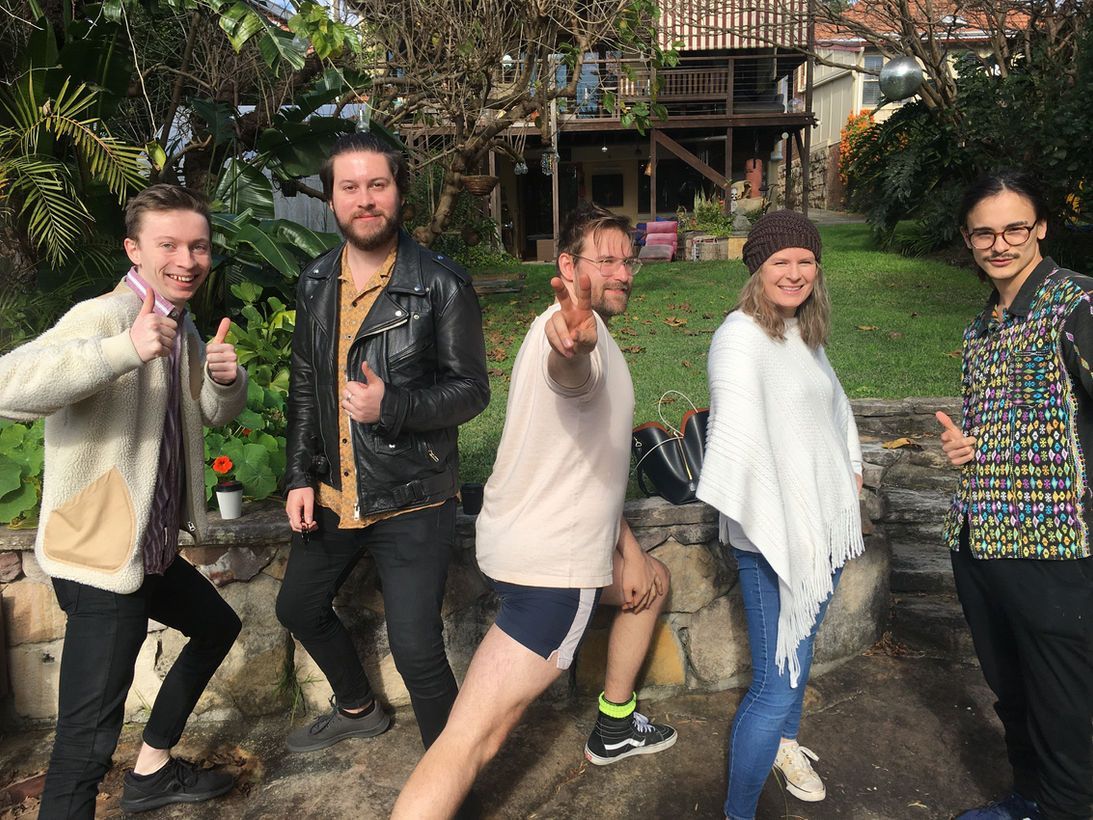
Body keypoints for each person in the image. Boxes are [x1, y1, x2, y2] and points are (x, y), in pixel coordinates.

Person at [391, 202, 676, 820]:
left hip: (517, 549)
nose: (625, 272)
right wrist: (572, 347)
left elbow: (588, 460)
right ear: (568, 266)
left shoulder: (562, 326)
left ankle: (616, 724)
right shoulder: (575, 337)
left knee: (654, 580)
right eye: (607, 260)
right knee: (469, 742)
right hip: (553, 576)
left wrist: (627, 549)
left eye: (630, 260)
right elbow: (567, 370)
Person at [0, 184, 248, 817]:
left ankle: (153, 768)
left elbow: (208, 416)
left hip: (149, 547)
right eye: (168, 244)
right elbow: (10, 384)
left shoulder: (179, 324)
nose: (187, 259)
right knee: (85, 746)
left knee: (218, 626)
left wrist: (224, 380)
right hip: (100, 556)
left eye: (198, 246)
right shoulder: (105, 317)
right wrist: (122, 350)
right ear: (134, 249)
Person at [276, 131, 490, 753]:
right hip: (334, 491)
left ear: (398, 193)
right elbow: (305, 389)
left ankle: (451, 788)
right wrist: (297, 476)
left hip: (413, 494)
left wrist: (391, 405)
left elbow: (472, 391)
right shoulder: (317, 281)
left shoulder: (441, 284)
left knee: (418, 652)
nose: (365, 199)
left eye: (378, 185)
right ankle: (358, 706)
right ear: (331, 199)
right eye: (350, 187)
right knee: (298, 608)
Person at [695, 210, 864, 820]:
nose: (794, 273)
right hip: (774, 539)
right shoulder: (740, 337)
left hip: (820, 528)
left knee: (800, 651)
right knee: (774, 686)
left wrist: (848, 469)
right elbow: (742, 445)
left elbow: (834, 409)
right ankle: (738, 814)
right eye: (779, 262)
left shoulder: (802, 334)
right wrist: (783, 521)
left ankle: (785, 748)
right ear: (756, 271)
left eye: (805, 261)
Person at [936, 170, 1093, 820]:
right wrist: (967, 445)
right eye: (984, 232)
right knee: (1011, 691)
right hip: (978, 539)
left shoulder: (1075, 305)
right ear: (969, 239)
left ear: (1040, 229)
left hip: (1052, 548)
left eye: (1013, 229)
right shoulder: (982, 328)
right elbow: (1009, 419)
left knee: (1065, 702)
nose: (999, 243)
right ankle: (1029, 797)